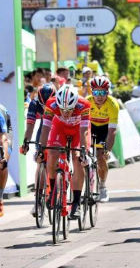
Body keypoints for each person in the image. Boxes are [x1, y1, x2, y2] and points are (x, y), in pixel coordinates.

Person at [37, 85, 91, 220]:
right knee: (51, 155)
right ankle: (54, 191)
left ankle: (77, 203)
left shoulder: (84, 105)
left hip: (78, 131)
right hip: (59, 128)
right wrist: (41, 149)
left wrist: (84, 150)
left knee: (78, 159)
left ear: (75, 104)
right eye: (62, 109)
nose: (65, 113)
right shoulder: (51, 104)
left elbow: (84, 131)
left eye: (69, 110)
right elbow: (45, 129)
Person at [19, 84, 56, 216]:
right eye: (43, 105)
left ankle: (60, 188)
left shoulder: (59, 102)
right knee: (40, 162)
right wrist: (26, 143)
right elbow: (30, 126)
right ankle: (38, 201)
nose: (46, 108)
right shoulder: (34, 104)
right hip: (43, 130)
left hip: (58, 129)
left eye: (49, 104)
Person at [86, 76, 119, 203]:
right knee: (83, 156)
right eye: (96, 93)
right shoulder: (87, 102)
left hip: (105, 130)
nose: (99, 96)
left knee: (101, 157)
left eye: (103, 93)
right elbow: (82, 126)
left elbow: (112, 131)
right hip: (90, 127)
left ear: (108, 92)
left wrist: (107, 150)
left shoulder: (113, 105)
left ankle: (102, 187)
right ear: (92, 92)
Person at [0, 104, 12, 217]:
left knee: (3, 163)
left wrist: (4, 155)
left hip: (4, 133)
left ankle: (0, 196)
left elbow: (4, 137)